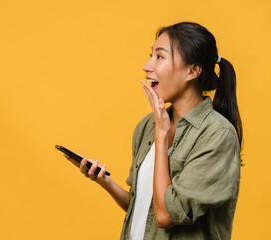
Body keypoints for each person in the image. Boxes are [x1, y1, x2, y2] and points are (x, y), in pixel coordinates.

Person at [64, 22, 242, 240]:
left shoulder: (217, 135)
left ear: (192, 71)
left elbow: (165, 215)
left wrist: (161, 135)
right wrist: (106, 183)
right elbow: (142, 207)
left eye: (159, 57)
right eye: (151, 55)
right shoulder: (148, 125)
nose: (147, 66)